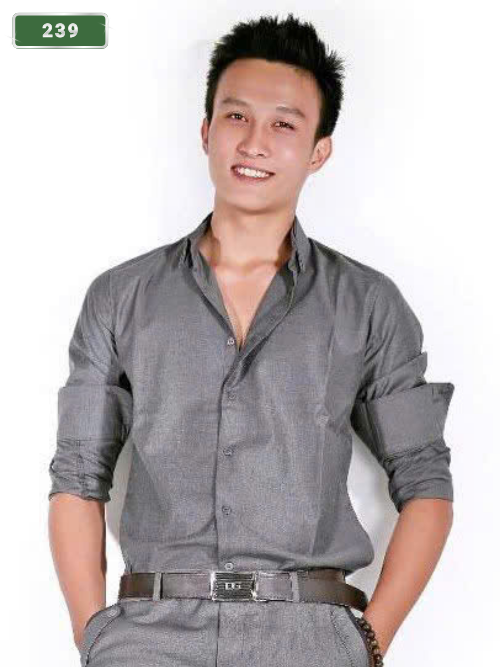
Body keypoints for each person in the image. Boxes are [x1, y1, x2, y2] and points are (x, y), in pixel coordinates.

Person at [48, 13, 454, 667]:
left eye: (284, 125)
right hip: (149, 635)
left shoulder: (368, 304)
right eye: (236, 116)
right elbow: (77, 475)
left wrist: (368, 644)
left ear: (318, 150)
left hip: (309, 637)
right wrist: (92, 634)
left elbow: (426, 482)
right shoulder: (121, 296)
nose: (254, 142)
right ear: (207, 130)